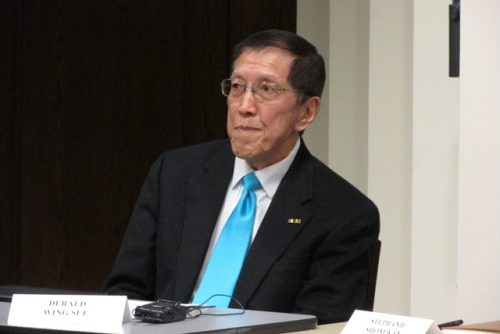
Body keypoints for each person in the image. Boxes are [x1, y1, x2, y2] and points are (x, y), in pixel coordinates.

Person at [104, 29, 380, 324]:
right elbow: (126, 293)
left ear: (307, 112)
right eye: (237, 87)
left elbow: (318, 327)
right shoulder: (176, 173)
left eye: (266, 90)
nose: (244, 106)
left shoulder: (342, 213)